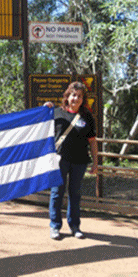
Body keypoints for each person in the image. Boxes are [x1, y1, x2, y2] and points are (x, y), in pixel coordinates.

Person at [44, 81, 98, 240]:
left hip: (80, 161)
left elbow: (93, 141)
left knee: (75, 194)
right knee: (57, 193)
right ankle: (55, 226)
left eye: (80, 96)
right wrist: (44, 109)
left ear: (83, 99)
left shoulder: (87, 116)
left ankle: (75, 227)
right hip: (60, 160)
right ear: (67, 96)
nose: (76, 98)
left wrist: (95, 162)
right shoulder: (56, 113)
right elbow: (39, 127)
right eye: (73, 95)